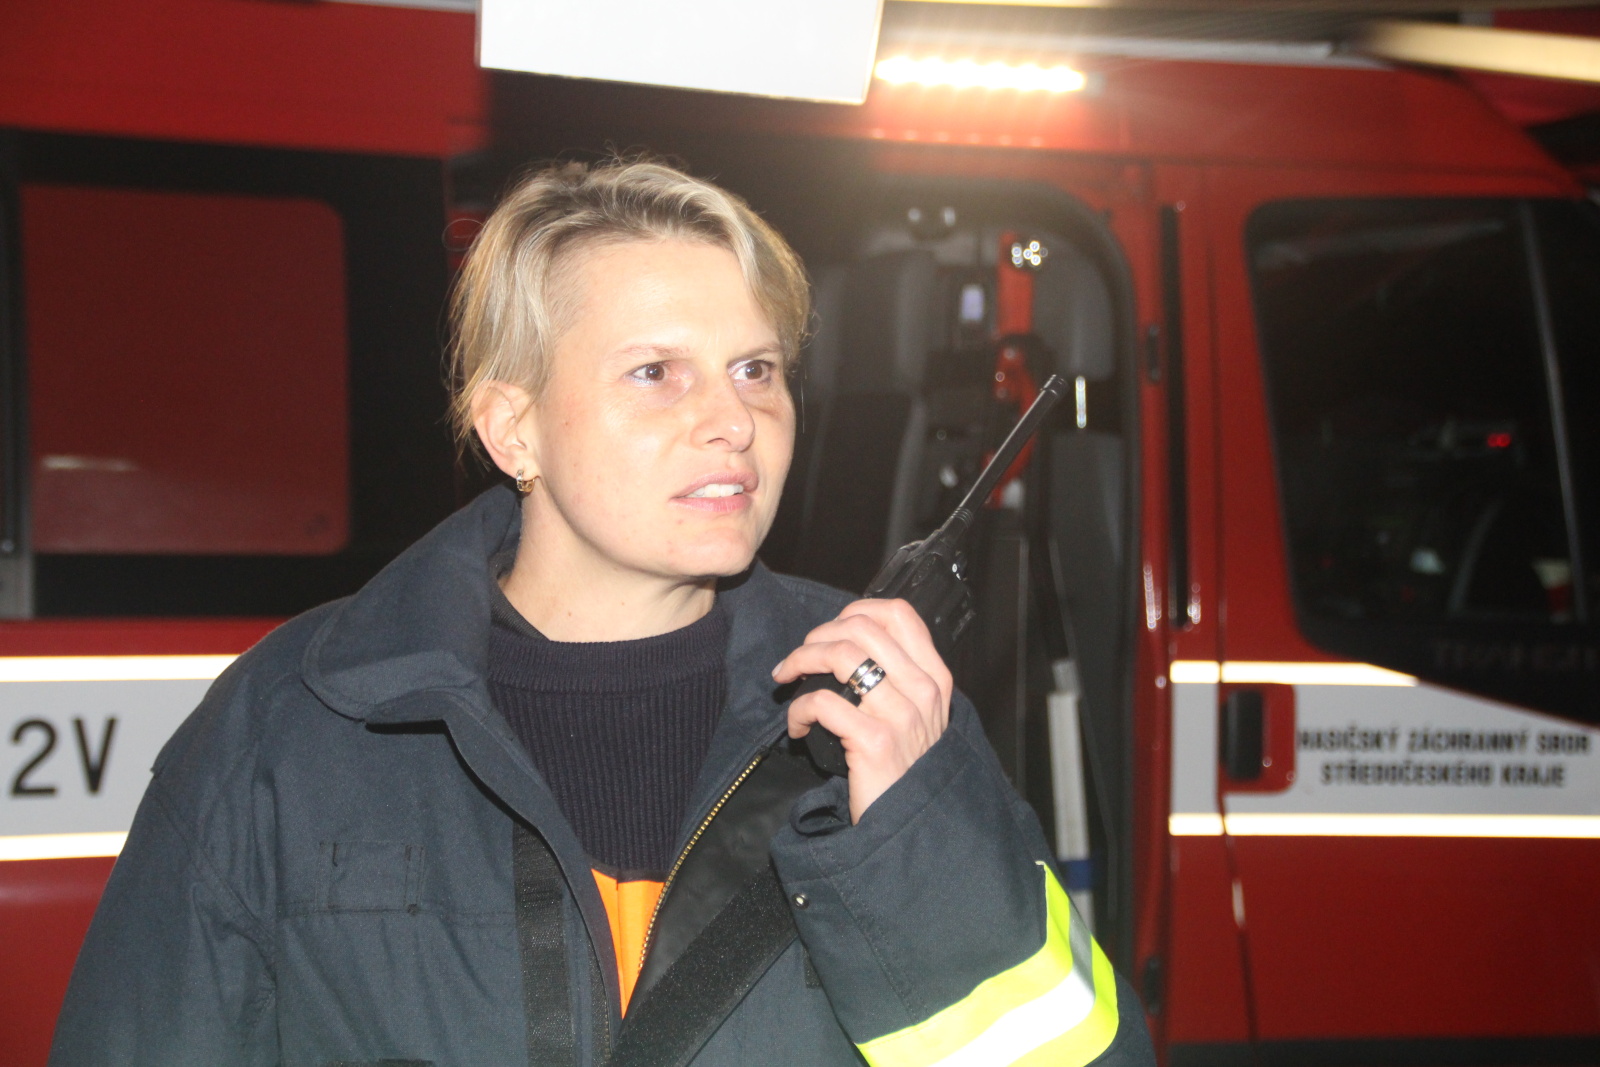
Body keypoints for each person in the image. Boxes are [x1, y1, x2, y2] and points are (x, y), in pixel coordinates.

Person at [50, 158, 1155, 1067]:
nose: (734, 420)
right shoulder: (294, 723)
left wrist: (919, 837)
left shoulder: (882, 701)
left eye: (756, 369)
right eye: (656, 372)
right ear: (513, 428)